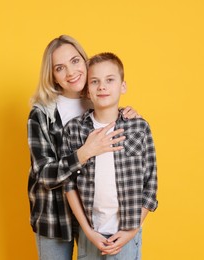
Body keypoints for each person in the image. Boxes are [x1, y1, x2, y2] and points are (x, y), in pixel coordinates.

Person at [27, 35, 139, 260]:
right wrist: (84, 152)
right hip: (55, 216)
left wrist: (129, 117)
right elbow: (44, 176)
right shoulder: (42, 114)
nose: (70, 72)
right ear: (53, 76)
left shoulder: (100, 99)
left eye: (75, 61)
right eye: (60, 68)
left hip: (96, 216)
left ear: (85, 62)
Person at [62, 52, 158, 259]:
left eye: (110, 80)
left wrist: (131, 231)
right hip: (90, 234)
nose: (102, 87)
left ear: (123, 86)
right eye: (95, 81)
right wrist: (88, 231)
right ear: (88, 90)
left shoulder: (139, 128)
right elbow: (68, 184)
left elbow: (150, 185)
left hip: (127, 233)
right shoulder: (74, 130)